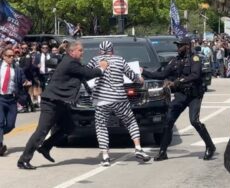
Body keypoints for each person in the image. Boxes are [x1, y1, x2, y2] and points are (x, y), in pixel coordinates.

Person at [17, 41, 109, 170]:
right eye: (80, 50)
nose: (82, 53)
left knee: (69, 127)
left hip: (60, 102)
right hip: (51, 102)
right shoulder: (70, 62)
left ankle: (45, 147)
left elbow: (83, 76)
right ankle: (23, 160)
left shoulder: (72, 62)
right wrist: (102, 68)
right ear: (72, 52)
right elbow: (88, 73)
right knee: (41, 131)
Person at [141, 36, 216, 161]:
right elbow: (162, 74)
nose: (178, 48)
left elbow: (195, 75)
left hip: (194, 95)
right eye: (177, 45)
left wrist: (176, 82)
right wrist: (144, 71)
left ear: (187, 46)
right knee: (168, 121)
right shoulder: (175, 60)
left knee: (194, 121)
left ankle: (210, 146)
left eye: (180, 45)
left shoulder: (195, 58)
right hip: (181, 94)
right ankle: (162, 152)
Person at [87, 41, 150, 166]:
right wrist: (140, 79)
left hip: (101, 100)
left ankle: (105, 156)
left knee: (101, 127)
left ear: (100, 51)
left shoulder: (94, 60)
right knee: (130, 121)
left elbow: (85, 74)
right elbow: (133, 76)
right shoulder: (120, 60)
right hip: (119, 98)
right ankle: (138, 148)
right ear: (112, 50)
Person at [0, 47, 30, 156]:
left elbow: (23, 80)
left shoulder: (17, 69)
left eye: (13, 56)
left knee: (10, 125)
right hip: (0, 98)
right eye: (9, 56)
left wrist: (26, 83)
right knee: (0, 122)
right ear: (3, 57)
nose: (11, 58)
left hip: (12, 99)